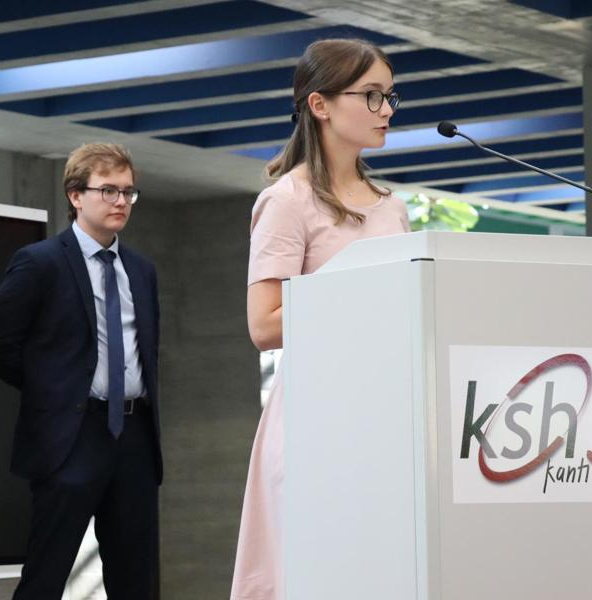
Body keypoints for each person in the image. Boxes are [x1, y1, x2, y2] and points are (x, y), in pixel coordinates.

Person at [230, 39, 410, 600]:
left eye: (390, 97)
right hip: (319, 415)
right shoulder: (287, 200)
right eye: (371, 95)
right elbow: (264, 324)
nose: (385, 110)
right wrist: (358, 297)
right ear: (320, 104)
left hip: (389, 411)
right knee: (317, 571)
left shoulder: (392, 205)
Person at [0, 142, 161, 600]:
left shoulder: (142, 270)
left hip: (135, 439)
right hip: (71, 436)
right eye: (108, 190)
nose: (121, 201)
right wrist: (55, 388)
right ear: (76, 195)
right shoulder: (40, 261)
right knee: (46, 575)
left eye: (128, 192)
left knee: (137, 582)